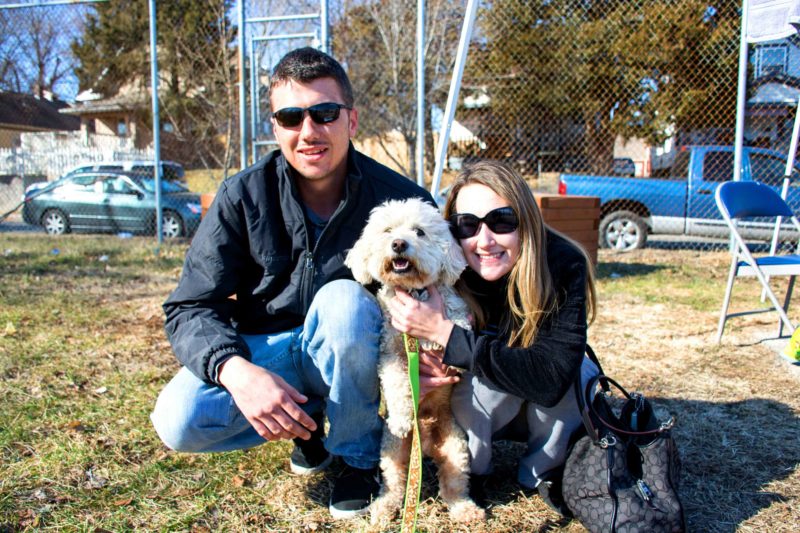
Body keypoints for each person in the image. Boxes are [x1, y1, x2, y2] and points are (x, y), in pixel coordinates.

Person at [150, 46, 433, 519]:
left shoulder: (401, 201)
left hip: (356, 348)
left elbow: (443, 277)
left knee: (343, 301)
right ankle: (309, 430)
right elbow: (191, 306)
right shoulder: (242, 196)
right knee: (179, 421)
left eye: (324, 113)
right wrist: (237, 372)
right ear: (275, 125)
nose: (308, 132)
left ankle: (355, 458)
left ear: (352, 120)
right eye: (290, 116)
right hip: (270, 350)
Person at [386, 160, 598, 515]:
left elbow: (552, 377)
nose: (484, 241)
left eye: (501, 221)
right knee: (471, 385)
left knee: (578, 376)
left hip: (540, 389)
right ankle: (475, 472)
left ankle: (541, 472)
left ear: (526, 221)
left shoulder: (562, 262)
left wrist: (442, 331)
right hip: (484, 397)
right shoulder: (446, 269)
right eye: (467, 225)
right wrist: (418, 376)